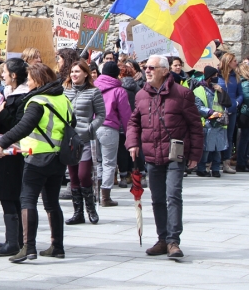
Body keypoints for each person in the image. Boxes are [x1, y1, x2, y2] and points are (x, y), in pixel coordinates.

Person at [126, 54, 203, 259]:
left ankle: (173, 241)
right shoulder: (142, 95)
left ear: (164, 71)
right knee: (157, 199)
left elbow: (195, 126)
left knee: (173, 196)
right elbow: (134, 122)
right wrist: (132, 142)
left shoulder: (182, 94)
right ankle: (162, 239)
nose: (147, 71)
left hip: (175, 155)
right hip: (152, 155)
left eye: (151, 67)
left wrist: (195, 153)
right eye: (145, 67)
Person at [0, 63, 72, 262]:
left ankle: (28, 248)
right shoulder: (63, 99)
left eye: (29, 79)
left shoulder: (37, 101)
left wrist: (2, 143)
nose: (27, 82)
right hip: (58, 158)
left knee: (27, 200)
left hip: (37, 158)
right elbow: (72, 124)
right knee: (52, 203)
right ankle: (57, 246)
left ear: (38, 81)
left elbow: (24, 127)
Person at [0, 58, 28, 257]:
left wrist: (1, 111)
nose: (1, 74)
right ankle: (15, 238)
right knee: (8, 197)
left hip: (12, 153)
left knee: (9, 197)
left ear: (14, 76)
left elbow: (18, 126)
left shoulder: (23, 97)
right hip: (3, 152)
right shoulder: (9, 93)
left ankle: (13, 241)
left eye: (5, 72)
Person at [63, 60, 104, 224]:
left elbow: (101, 115)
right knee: (73, 177)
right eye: (72, 71)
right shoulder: (65, 92)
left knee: (83, 175)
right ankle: (78, 213)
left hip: (85, 139)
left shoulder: (94, 92)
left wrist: (91, 127)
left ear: (86, 74)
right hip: (69, 139)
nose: (74, 74)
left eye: (77, 71)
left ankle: (91, 209)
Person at [94, 62, 132, 207]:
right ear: (117, 74)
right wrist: (130, 134)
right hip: (109, 128)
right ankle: (105, 197)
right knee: (109, 162)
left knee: (96, 163)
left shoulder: (93, 88)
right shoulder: (118, 91)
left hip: (92, 128)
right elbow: (126, 115)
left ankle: (96, 193)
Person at [192, 66, 230, 178]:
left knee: (218, 148)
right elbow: (198, 106)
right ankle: (202, 168)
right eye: (214, 76)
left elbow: (227, 103)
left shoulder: (218, 89)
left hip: (219, 122)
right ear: (209, 77)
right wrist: (210, 112)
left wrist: (222, 91)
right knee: (206, 149)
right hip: (207, 123)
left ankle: (216, 169)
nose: (216, 78)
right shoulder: (199, 90)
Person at [218, 52, 243, 174]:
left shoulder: (236, 77)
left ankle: (226, 163)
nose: (236, 63)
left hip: (232, 111)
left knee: (229, 136)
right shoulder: (217, 77)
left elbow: (240, 94)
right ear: (228, 62)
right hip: (219, 111)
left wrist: (236, 103)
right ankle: (215, 162)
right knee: (218, 136)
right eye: (234, 61)